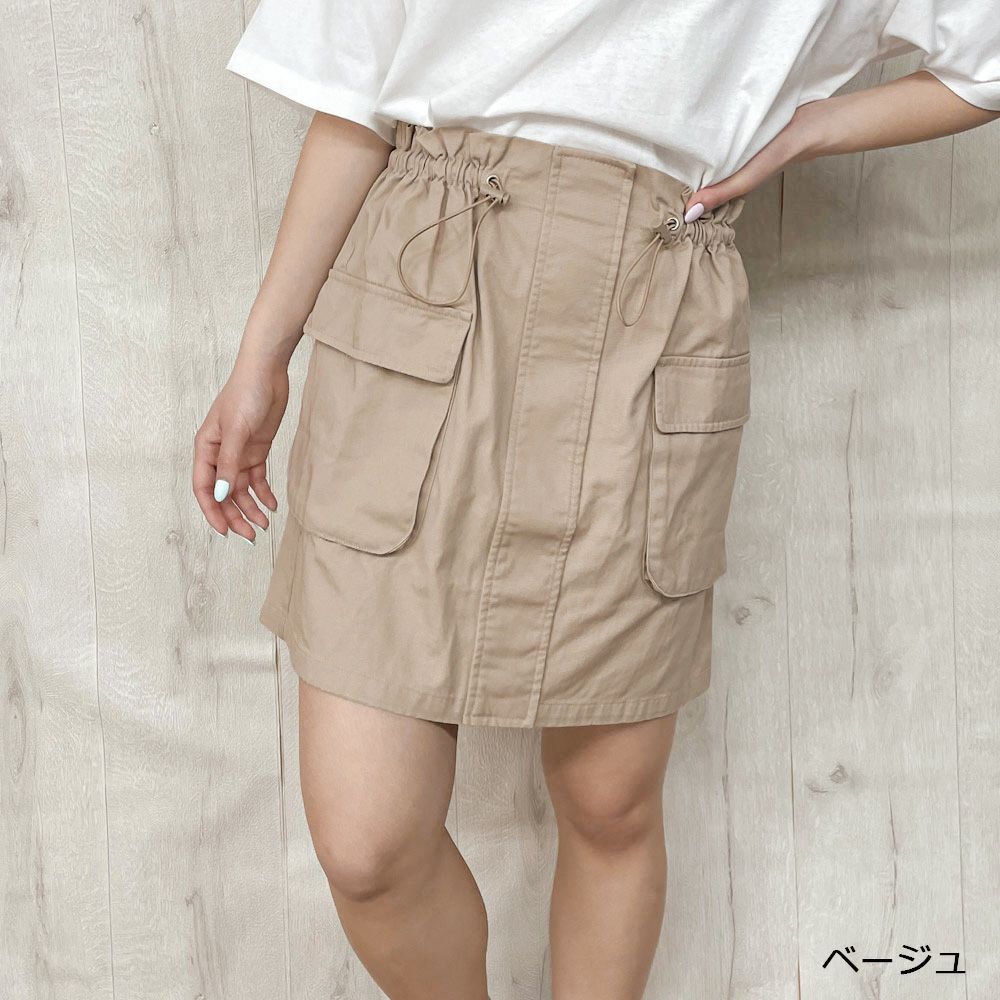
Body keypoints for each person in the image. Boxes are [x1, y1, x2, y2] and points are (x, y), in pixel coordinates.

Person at [193, 3, 1000, 998]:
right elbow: (351, 97)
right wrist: (262, 356)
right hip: (427, 275)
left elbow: (985, 62)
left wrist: (812, 127)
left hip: (655, 300)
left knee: (609, 802)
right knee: (369, 844)